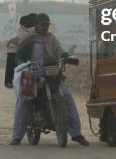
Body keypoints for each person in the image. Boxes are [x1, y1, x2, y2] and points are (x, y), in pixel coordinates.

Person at [9, 13, 89, 146]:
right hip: (33, 73)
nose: (45, 27)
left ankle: (76, 134)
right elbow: (19, 56)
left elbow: (60, 52)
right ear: (36, 25)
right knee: (24, 99)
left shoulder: (51, 38)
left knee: (67, 96)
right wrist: (23, 65)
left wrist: (67, 57)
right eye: (43, 24)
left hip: (51, 73)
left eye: (47, 24)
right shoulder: (29, 39)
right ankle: (17, 137)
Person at [4, 13, 36, 88]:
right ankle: (9, 81)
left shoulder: (24, 30)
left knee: (12, 67)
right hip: (14, 50)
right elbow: (19, 39)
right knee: (13, 67)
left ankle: (10, 81)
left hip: (16, 50)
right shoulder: (25, 30)